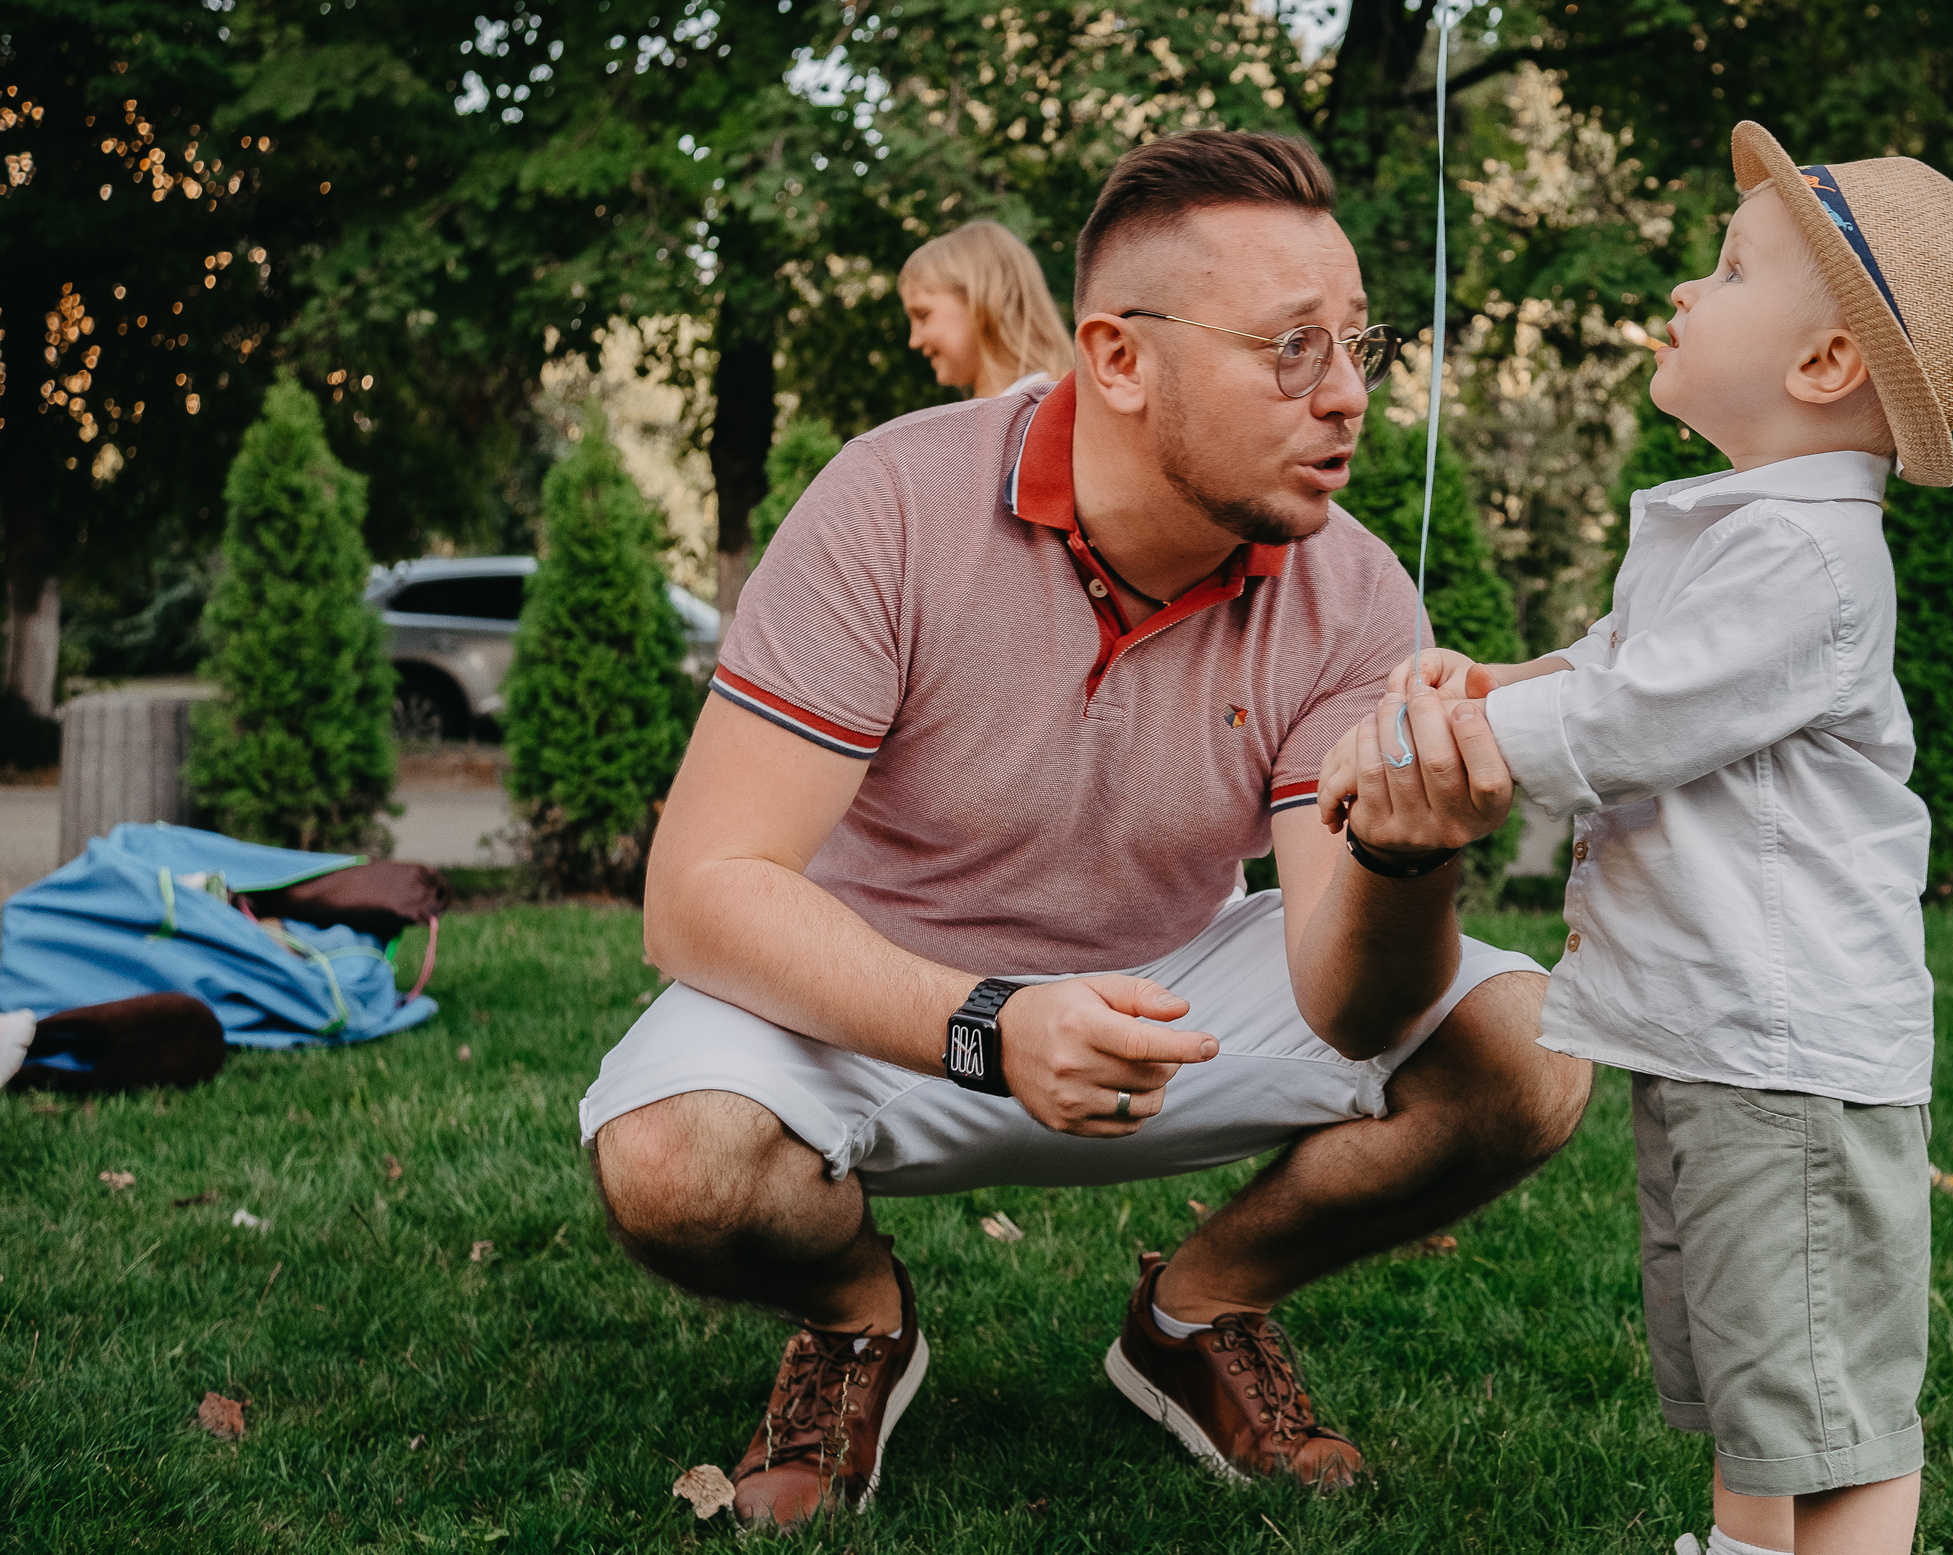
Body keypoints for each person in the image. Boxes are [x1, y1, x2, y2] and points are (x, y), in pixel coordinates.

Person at [579, 129, 1590, 1529]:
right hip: (879, 992)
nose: (1349, 395)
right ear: (1118, 359)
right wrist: (991, 1024)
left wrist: (1408, 859)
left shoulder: (1353, 589)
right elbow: (698, 892)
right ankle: (858, 1316)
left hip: (1175, 991)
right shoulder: (890, 502)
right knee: (670, 1160)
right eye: (1292, 348)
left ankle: (1196, 1310)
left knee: (1529, 1049)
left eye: (1360, 344)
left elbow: (1352, 1008)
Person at [1320, 121, 1953, 1555]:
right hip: (1722, 1035)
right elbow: (1614, 669)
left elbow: (1640, 717)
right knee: (1756, 1382)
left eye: (1732, 269)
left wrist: (1454, 752)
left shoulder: (1807, 553)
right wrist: (1493, 687)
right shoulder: (1743, 529)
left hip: (1788, 1052)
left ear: (1825, 363)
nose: (1689, 288)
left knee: (1825, 1405)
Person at [899, 218, 1076, 399]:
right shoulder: (987, 409)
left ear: (982, 301)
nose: (914, 341)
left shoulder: (1048, 403)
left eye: (923, 315)